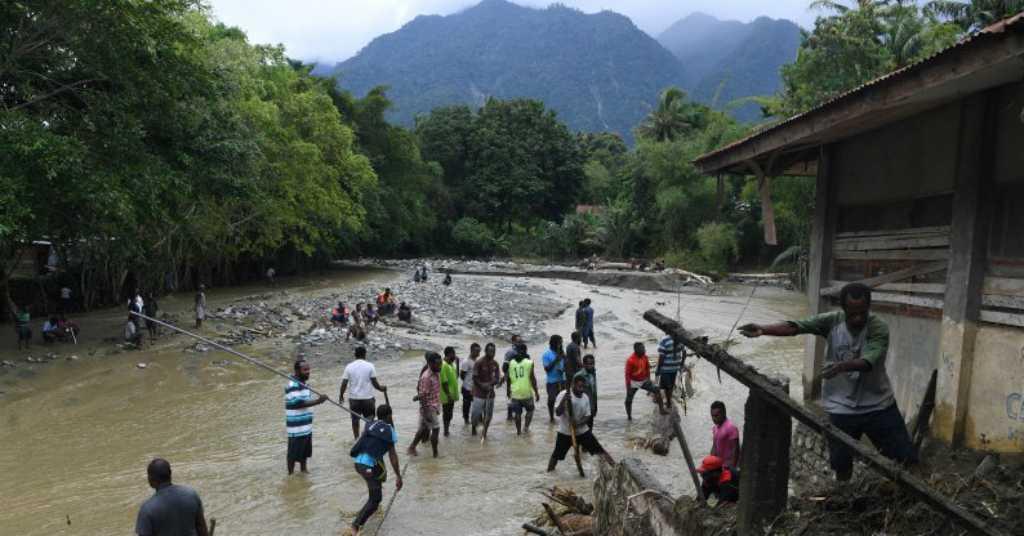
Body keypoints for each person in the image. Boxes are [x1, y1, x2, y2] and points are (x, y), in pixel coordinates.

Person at [740, 282, 914, 481]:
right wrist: (763, 329)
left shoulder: (878, 327)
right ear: (843, 309)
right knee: (841, 464)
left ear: (868, 308)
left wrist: (841, 366)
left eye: (862, 313)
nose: (857, 318)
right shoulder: (832, 321)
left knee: (904, 458)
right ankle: (844, 497)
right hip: (841, 407)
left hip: (879, 404)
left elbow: (869, 361)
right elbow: (796, 326)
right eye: (852, 313)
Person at [349, 405, 402, 536]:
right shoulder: (390, 431)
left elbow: (367, 440)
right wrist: (398, 476)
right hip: (366, 467)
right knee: (376, 499)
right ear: (389, 416)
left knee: (380, 476)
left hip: (358, 463)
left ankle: (371, 509)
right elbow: (393, 457)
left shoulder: (370, 424)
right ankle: (355, 526)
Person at [547, 375, 614, 472]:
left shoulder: (585, 398)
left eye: (583, 387)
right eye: (579, 387)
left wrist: (578, 423)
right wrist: (563, 401)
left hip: (582, 431)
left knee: (599, 451)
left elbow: (587, 416)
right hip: (565, 432)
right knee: (556, 455)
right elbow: (558, 412)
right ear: (573, 385)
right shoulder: (563, 394)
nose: (581, 389)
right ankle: (548, 474)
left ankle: (615, 468)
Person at [135, 458, 209, 536]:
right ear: (170, 474)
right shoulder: (191, 495)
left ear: (150, 479)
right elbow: (201, 527)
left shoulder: (147, 509)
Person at [285, 360, 329, 474]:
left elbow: (306, 402)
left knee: (304, 453)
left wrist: (318, 401)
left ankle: (304, 471)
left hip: (306, 427)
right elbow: (299, 403)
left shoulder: (305, 384)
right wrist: (319, 401)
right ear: (297, 371)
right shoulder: (292, 385)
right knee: (293, 455)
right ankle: (290, 475)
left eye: (308, 369)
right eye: (305, 370)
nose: (308, 372)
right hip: (296, 428)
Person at [340, 346, 387, 440]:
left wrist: (341, 395)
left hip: (354, 400)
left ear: (355, 355)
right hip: (368, 400)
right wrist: (382, 389)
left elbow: (344, 383)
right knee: (369, 421)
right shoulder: (370, 366)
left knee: (355, 421)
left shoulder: (349, 366)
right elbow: (375, 384)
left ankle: (357, 439)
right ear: (365, 354)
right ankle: (368, 438)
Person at [409, 352, 442, 457]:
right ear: (430, 363)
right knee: (436, 429)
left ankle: (412, 447)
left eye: (440, 363)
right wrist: (427, 412)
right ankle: (435, 454)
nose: (439, 366)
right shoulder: (426, 377)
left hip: (434, 404)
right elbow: (423, 396)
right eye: (437, 364)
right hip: (429, 407)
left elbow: (425, 392)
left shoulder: (436, 372)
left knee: (423, 428)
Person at [624, 342, 666, 420]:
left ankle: (661, 410)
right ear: (636, 350)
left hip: (643, 380)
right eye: (642, 349)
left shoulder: (645, 357)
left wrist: (649, 379)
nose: (644, 350)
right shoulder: (630, 360)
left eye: (644, 348)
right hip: (633, 382)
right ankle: (629, 417)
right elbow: (627, 375)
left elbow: (647, 368)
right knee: (628, 401)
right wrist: (628, 387)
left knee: (657, 390)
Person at [471, 342, 502, 440]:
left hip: (490, 394)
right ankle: (473, 427)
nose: (492, 353)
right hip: (479, 394)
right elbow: (474, 378)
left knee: (488, 415)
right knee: (475, 415)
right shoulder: (479, 362)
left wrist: (494, 382)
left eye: (494, 351)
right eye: (490, 351)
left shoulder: (495, 364)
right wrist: (482, 385)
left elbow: (497, 377)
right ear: (485, 351)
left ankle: (484, 433)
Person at [508, 345, 540, 435]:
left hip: (515, 393)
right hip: (526, 392)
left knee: (517, 414)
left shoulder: (511, 363)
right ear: (525, 351)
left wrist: (508, 390)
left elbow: (508, 378)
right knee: (530, 410)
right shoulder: (529, 363)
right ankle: (526, 428)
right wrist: (536, 392)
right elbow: (532, 378)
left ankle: (518, 432)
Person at [710, 401, 741, 471]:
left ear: (724, 413)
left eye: (716, 415)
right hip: (719, 467)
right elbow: (714, 446)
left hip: (728, 467)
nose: (714, 418)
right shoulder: (715, 428)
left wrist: (732, 468)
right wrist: (710, 462)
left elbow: (736, 449)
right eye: (712, 416)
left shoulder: (731, 427)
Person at [542, 335, 566, 423]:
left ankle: (564, 418)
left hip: (563, 380)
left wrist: (564, 367)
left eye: (561, 343)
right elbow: (547, 369)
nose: (561, 345)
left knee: (564, 400)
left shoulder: (562, 353)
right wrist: (556, 360)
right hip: (552, 382)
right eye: (559, 343)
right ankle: (551, 417)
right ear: (554, 343)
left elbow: (567, 365)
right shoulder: (546, 355)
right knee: (551, 399)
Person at [656, 335, 685, 403]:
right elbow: (684, 353)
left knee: (668, 386)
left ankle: (668, 402)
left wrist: (658, 369)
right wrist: (682, 363)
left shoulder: (664, 340)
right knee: (669, 385)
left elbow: (662, 356)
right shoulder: (681, 339)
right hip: (673, 367)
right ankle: (669, 401)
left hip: (667, 368)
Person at [439, 346, 461, 437]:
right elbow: (444, 381)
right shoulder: (443, 365)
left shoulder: (451, 364)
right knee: (447, 413)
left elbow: (457, 376)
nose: (455, 356)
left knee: (450, 413)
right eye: (453, 354)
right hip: (446, 395)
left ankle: (446, 430)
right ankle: (446, 431)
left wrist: (458, 363)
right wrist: (448, 394)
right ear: (449, 354)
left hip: (451, 395)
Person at [574, 354, 598, 428]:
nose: (592, 366)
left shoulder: (592, 373)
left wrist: (595, 406)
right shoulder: (578, 376)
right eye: (589, 364)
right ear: (584, 364)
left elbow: (594, 391)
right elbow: (574, 393)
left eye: (593, 363)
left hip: (590, 407)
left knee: (589, 429)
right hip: (581, 408)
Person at [503, 335, 522, 421]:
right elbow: (504, 367)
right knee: (511, 396)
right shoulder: (510, 352)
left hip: (520, 378)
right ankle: (509, 416)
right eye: (518, 341)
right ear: (513, 342)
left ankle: (514, 415)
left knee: (518, 396)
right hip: (512, 378)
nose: (519, 343)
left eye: (520, 341)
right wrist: (508, 379)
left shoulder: (521, 351)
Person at [460, 343, 478, 425]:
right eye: (476, 351)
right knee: (466, 406)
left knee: (477, 405)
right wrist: (468, 383)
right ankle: (466, 420)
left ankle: (477, 420)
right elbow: (462, 375)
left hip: (475, 388)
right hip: (467, 388)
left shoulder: (476, 361)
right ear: (472, 351)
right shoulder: (466, 361)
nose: (478, 353)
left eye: (479, 351)